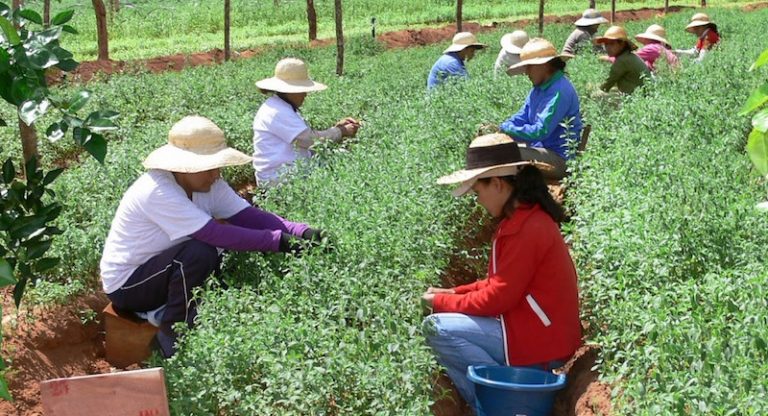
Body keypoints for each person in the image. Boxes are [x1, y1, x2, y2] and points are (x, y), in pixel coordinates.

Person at [100, 116, 327, 358]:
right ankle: (172, 337)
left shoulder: (208, 184)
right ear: (185, 167)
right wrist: (279, 242)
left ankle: (194, 316)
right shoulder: (158, 190)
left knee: (210, 251)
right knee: (200, 252)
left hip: (161, 269)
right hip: (128, 284)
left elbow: (248, 216)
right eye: (210, 167)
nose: (216, 174)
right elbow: (213, 234)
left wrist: (300, 231)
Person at [423, 134, 582, 412]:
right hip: (541, 332)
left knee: (436, 327)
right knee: (447, 317)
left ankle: (497, 403)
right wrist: (452, 293)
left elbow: (497, 298)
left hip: (541, 341)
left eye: (478, 192)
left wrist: (438, 302)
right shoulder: (523, 219)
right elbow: (499, 284)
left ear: (497, 184)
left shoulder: (526, 229)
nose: (478, 201)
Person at [252, 58, 360, 186]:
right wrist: (341, 131)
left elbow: (305, 137)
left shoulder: (279, 106)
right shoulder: (278, 112)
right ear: (290, 91)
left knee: (339, 155)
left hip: (287, 171)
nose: (305, 94)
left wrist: (336, 129)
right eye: (302, 90)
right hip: (279, 178)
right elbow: (310, 140)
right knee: (342, 163)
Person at [499, 38, 582, 180]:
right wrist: (504, 127)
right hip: (542, 150)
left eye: (529, 66)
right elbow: (522, 115)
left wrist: (506, 129)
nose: (526, 72)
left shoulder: (559, 92)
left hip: (560, 160)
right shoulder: (539, 88)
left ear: (544, 65)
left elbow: (540, 131)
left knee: (504, 154)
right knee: (496, 148)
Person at [594, 26, 650, 94]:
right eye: (606, 44)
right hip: (644, 95)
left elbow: (606, 85)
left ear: (622, 44)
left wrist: (594, 89)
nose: (607, 48)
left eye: (612, 44)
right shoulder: (629, 56)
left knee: (596, 95)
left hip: (639, 98)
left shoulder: (622, 60)